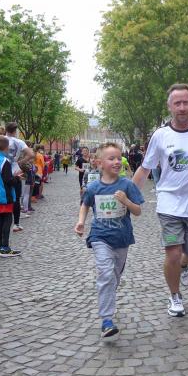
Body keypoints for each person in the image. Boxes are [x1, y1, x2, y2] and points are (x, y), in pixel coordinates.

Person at [131, 84, 188, 318]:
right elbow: (145, 168)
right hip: (169, 205)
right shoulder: (160, 135)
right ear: (169, 106)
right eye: (177, 103)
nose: (182, 107)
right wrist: (128, 194)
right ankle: (175, 296)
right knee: (172, 252)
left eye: (185, 102)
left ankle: (184, 264)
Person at [76, 142, 144, 338]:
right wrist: (81, 222)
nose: (117, 162)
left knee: (114, 277)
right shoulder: (93, 187)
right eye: (111, 158)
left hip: (122, 238)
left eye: (118, 158)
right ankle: (107, 320)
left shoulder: (127, 185)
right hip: (100, 236)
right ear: (99, 163)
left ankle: (109, 298)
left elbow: (138, 211)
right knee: (106, 274)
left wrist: (126, 201)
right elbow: (85, 204)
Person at [0, 136, 19, 257]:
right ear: (7, 147)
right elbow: (8, 180)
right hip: (5, 195)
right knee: (7, 221)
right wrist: (16, 178)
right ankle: (5, 247)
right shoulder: (4, 161)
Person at [5, 123, 28, 229]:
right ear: (15, 131)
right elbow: (30, 154)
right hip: (15, 170)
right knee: (16, 198)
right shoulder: (19, 142)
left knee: (3, 197)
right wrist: (19, 162)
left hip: (1, 172)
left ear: (6, 129)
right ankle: (16, 224)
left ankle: (0, 222)